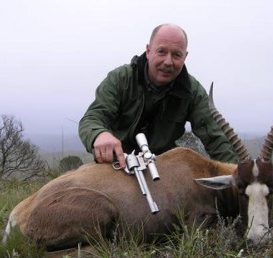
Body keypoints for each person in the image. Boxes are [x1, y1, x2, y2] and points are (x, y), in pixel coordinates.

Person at [79, 23, 237, 168]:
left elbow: (216, 139)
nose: (168, 62)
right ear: (148, 51)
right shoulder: (121, 79)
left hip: (163, 170)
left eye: (176, 55)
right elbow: (92, 118)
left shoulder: (192, 92)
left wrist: (237, 174)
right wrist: (99, 134)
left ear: (185, 57)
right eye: (161, 52)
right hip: (118, 163)